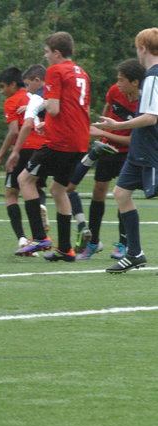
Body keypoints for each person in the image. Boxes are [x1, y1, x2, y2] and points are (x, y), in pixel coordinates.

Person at [15, 31, 91, 262]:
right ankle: (65, 249)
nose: (45, 56)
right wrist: (48, 125)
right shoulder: (81, 73)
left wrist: (40, 104)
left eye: (47, 52)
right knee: (58, 189)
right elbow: (77, 110)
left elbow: (55, 108)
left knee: (24, 180)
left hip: (61, 142)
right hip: (79, 141)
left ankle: (40, 237)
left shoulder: (56, 71)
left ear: (57, 53)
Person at [94, 28, 158, 274]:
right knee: (121, 193)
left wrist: (117, 125)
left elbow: (151, 117)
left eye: (137, 47)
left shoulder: (153, 76)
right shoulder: (150, 76)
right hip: (140, 147)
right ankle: (134, 253)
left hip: (150, 147)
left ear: (143, 47)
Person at [69, 59, 145, 260]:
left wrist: (104, 134)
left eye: (121, 80)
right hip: (106, 149)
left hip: (128, 153)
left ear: (135, 82)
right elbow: (107, 110)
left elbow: (132, 140)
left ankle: (123, 243)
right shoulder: (114, 91)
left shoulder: (144, 103)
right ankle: (93, 242)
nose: (117, 84)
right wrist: (101, 129)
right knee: (98, 191)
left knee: (123, 195)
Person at [0, 66, 47, 253]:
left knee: (11, 193)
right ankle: (41, 206)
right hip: (43, 147)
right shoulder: (34, 96)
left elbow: (14, 131)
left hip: (24, 148)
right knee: (35, 187)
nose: (2, 91)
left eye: (3, 86)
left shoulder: (12, 101)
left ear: (13, 84)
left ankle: (22, 238)